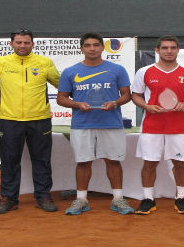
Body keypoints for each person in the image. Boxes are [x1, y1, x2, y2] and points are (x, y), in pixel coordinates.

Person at [56, 32, 134, 215]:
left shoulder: (117, 70)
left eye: (96, 45)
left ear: (102, 47)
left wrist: (114, 103)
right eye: (88, 45)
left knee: (113, 161)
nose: (92, 48)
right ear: (82, 48)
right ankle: (81, 200)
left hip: (111, 123)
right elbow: (61, 99)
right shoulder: (70, 71)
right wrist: (77, 104)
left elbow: (127, 95)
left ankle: (118, 199)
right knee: (83, 162)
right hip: (82, 124)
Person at [0, 29, 60, 214]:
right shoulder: (0, 63)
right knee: (9, 160)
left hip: (40, 119)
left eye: (26, 42)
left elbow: (60, 84)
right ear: (11, 44)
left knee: (41, 160)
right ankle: (9, 198)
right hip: (9, 120)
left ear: (33, 44)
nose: (22, 46)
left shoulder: (45, 62)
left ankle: (43, 195)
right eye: (18, 42)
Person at [131, 35, 184, 215]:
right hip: (152, 126)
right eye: (165, 48)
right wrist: (147, 106)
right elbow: (135, 95)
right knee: (150, 163)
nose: (169, 51)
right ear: (157, 50)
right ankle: (148, 199)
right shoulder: (144, 72)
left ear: (178, 50)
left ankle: (181, 198)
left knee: (180, 164)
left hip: (180, 127)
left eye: (172, 48)